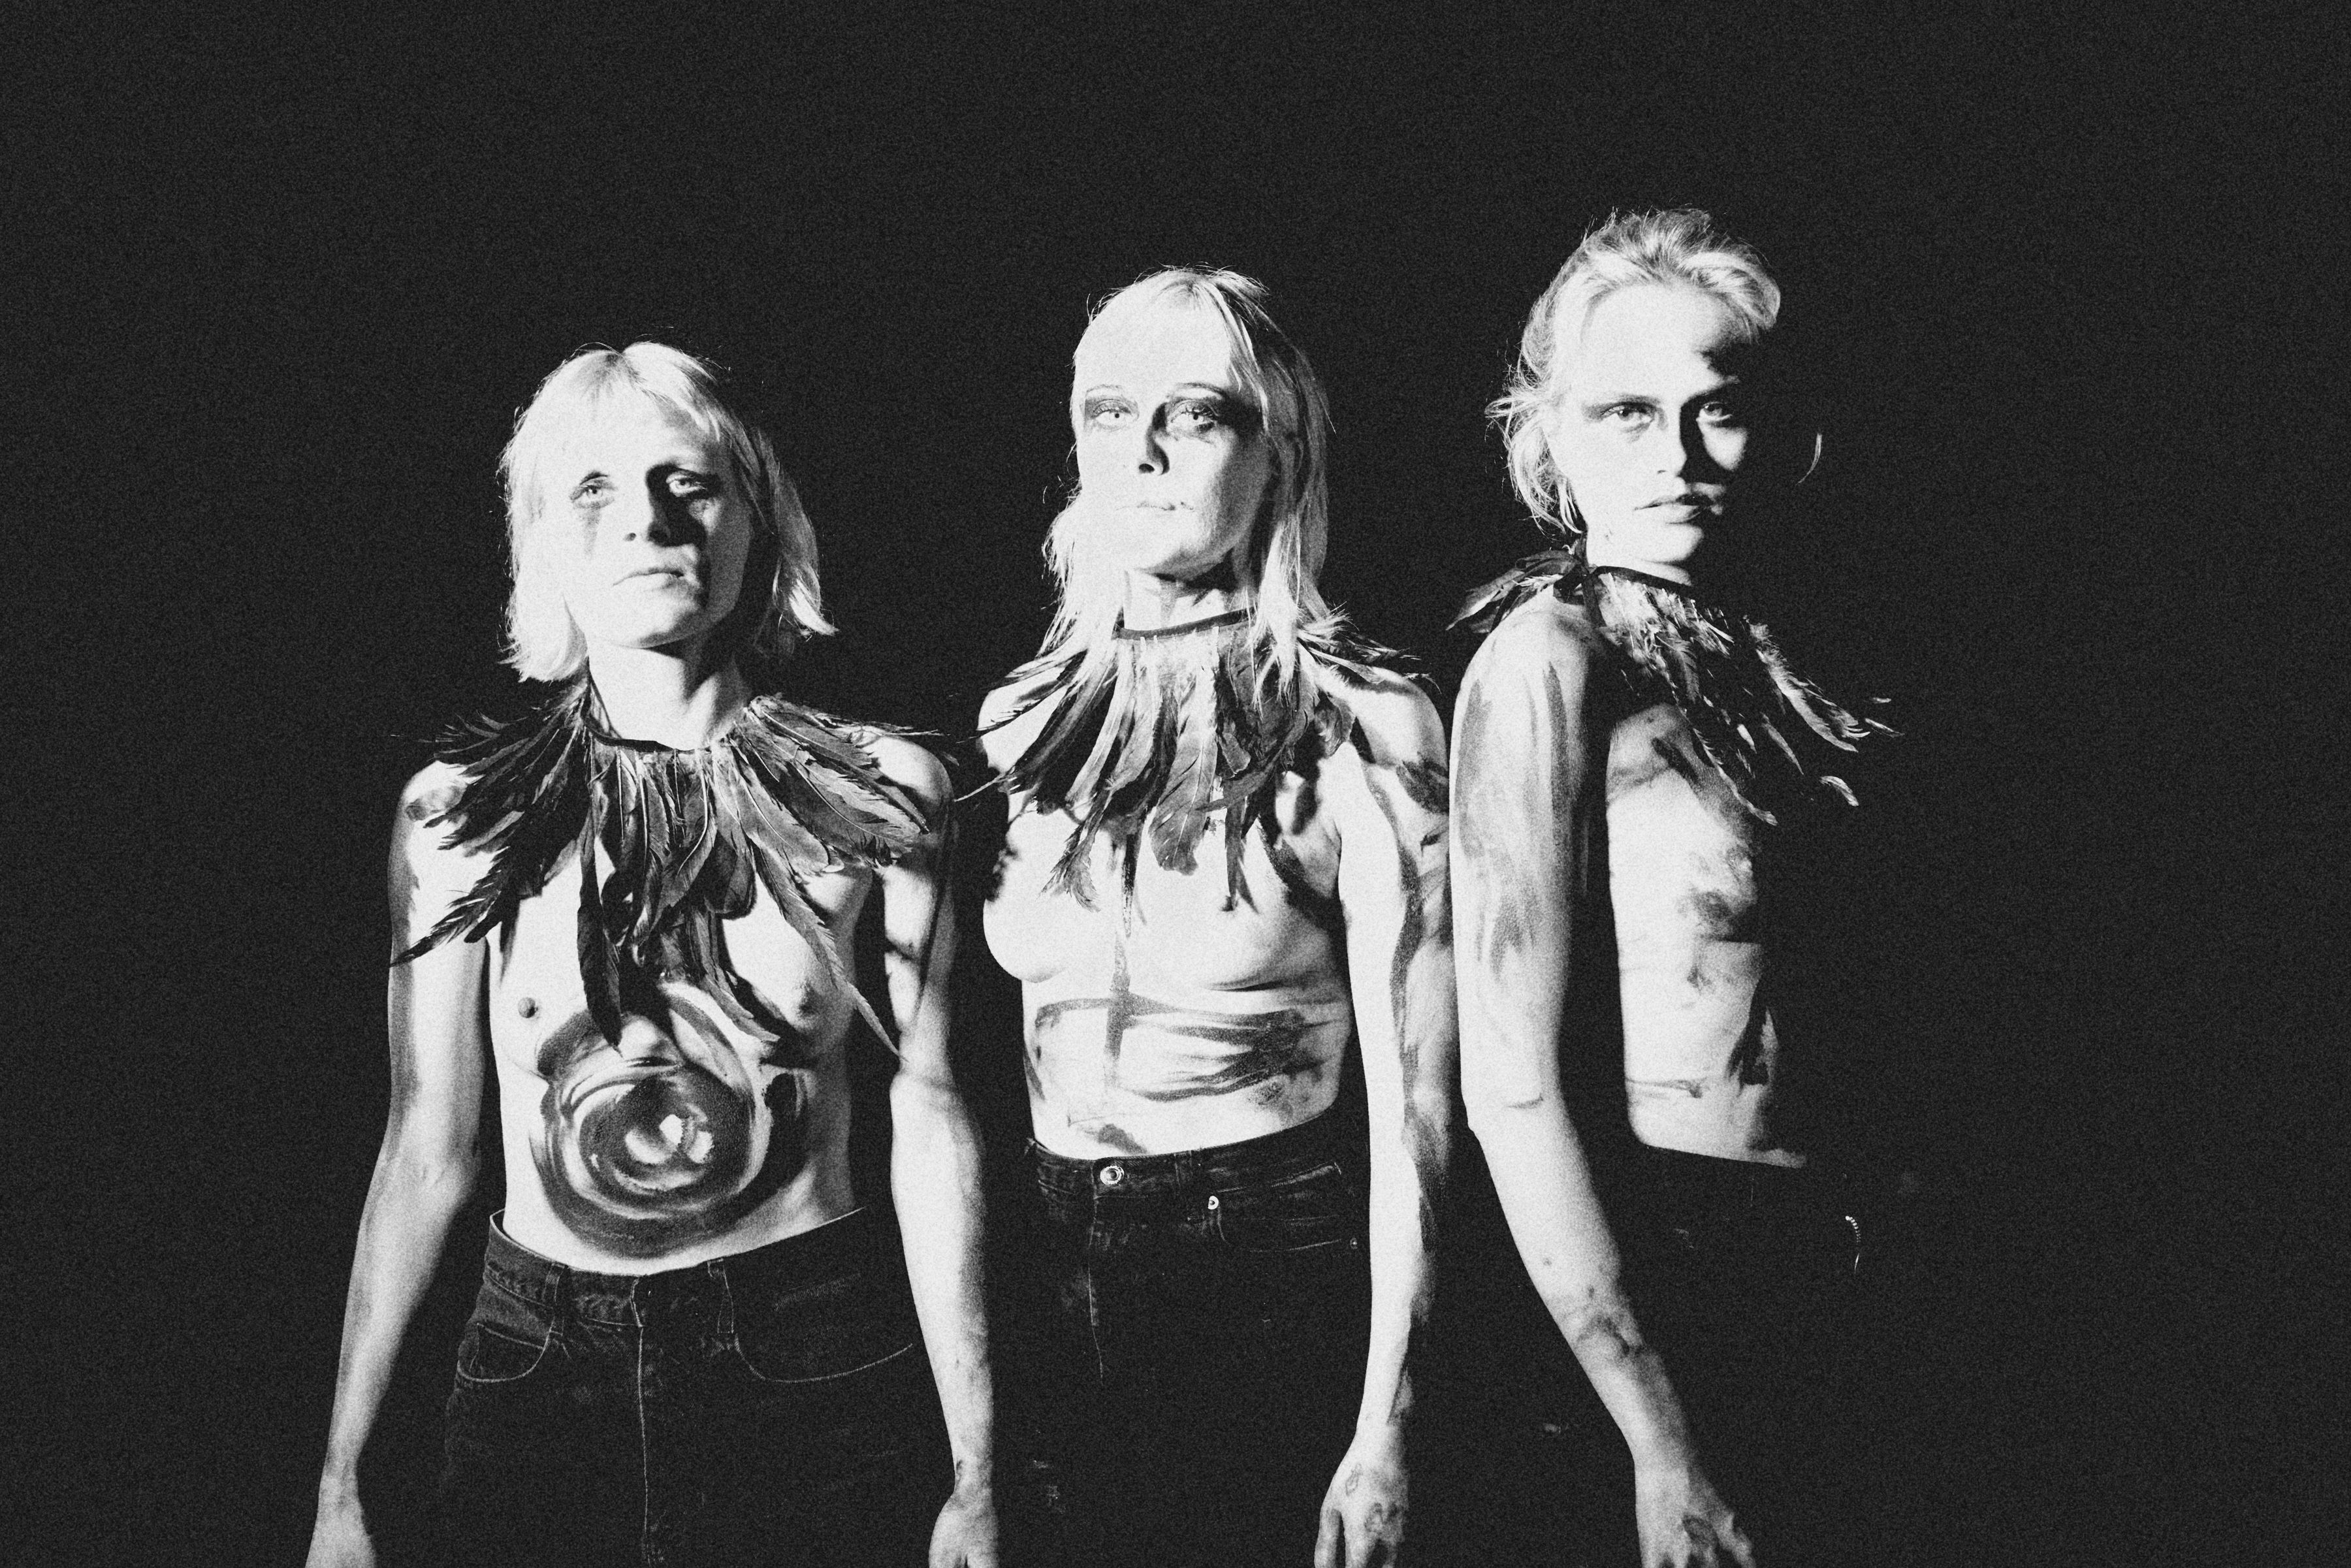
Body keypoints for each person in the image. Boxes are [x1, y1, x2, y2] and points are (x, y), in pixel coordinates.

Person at [305, 343, 998, 1568]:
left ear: (758, 522)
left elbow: (933, 1117)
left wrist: (978, 1465)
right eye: (596, 490)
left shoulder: (881, 794)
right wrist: (341, 1487)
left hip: (809, 1354)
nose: (649, 521)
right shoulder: (461, 816)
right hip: (537, 1372)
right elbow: (424, 1148)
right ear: (544, 544)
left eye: (692, 483)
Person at [976, 269, 1454, 1568]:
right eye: (1107, 411)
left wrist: (1387, 1424)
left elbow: (1420, 1104)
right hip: (1049, 1254)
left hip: (1264, 1256)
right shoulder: (1018, 722)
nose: (1141, 450)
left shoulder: (1363, 722)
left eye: (1193, 415)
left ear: (1277, 450)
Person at [1451, 209, 1893, 1566]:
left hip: (1839, 1263)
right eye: (1628, 412)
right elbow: (1510, 1085)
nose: (1680, 457)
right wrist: (1661, 1439)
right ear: (1550, 436)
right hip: (1669, 1270)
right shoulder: (1548, 663)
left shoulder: (1792, 657)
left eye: (1720, 410)